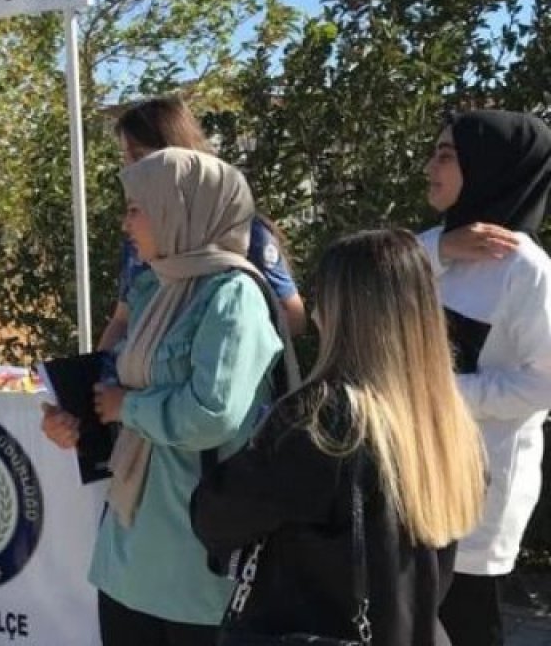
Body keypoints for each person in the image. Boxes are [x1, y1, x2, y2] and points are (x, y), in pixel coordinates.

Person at [43, 148, 292, 645]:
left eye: (137, 208)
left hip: (193, 559)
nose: (125, 223)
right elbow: (118, 384)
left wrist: (125, 408)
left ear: (181, 212)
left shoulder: (232, 294)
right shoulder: (154, 290)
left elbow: (213, 413)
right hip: (129, 551)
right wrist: (75, 419)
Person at [191, 228, 487, 645]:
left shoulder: (322, 421)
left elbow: (217, 515)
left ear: (342, 312)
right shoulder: (452, 425)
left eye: (323, 301)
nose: (313, 315)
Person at [416, 110, 551, 646]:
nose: (430, 166)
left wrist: (435, 394)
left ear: (491, 167)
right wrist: (438, 250)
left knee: (468, 627)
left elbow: (542, 384)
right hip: (414, 480)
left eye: (446, 155)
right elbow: (365, 285)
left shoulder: (528, 271)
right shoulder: (431, 248)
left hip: (479, 493)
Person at [97, 96, 306, 351]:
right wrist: (99, 377)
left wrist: (221, 343)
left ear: (176, 154)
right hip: (147, 383)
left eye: (139, 156)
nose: (129, 170)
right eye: (125, 159)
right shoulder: (141, 235)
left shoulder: (241, 231)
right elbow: (122, 320)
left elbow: (293, 317)